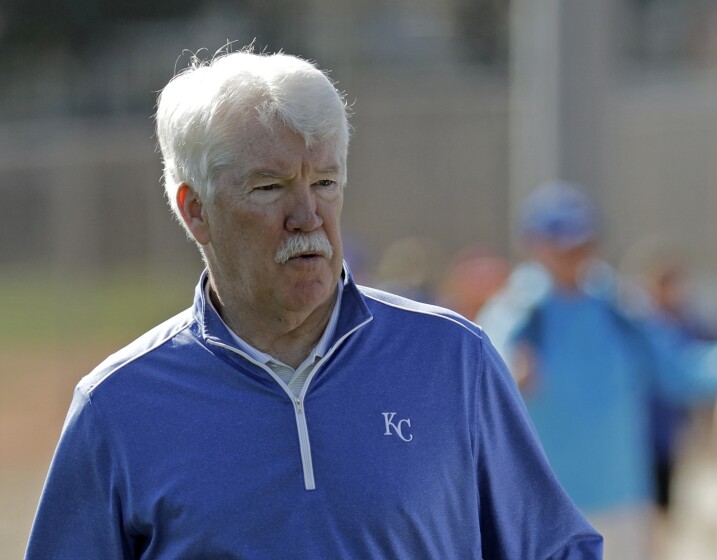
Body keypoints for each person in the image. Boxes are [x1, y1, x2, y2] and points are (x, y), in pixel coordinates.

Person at [25, 48, 602, 559]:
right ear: (195, 210)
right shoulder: (117, 406)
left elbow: (553, 549)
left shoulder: (453, 359)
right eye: (270, 187)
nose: (308, 216)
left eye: (324, 182)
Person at [490, 182, 717, 560]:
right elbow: (485, 387)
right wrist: (509, 380)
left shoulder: (618, 306)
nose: (576, 257)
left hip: (623, 504)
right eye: (563, 246)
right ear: (534, 246)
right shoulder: (518, 312)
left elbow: (680, 372)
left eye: (584, 245)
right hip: (546, 510)